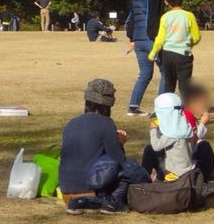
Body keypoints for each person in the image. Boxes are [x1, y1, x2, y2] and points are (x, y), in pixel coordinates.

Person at [58, 79, 148, 214]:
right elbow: (118, 159)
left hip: (65, 192)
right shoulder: (106, 123)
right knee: (131, 169)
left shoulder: (71, 123)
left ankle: (81, 203)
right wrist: (120, 143)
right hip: (91, 191)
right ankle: (113, 203)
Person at [125, 0, 165, 117]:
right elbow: (157, 15)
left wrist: (131, 36)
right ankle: (161, 109)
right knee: (165, 73)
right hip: (151, 36)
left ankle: (133, 106)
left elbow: (133, 14)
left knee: (145, 73)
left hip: (138, 37)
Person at [148, 0, 200, 95]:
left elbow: (160, 39)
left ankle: (167, 109)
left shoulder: (165, 17)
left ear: (166, 2)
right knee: (185, 86)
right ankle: (186, 111)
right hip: (183, 55)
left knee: (169, 85)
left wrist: (153, 53)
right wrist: (189, 44)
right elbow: (196, 37)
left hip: (167, 55)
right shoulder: (189, 16)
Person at [140, 92, 195, 181]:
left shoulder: (173, 133)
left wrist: (153, 129)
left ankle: (142, 180)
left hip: (174, 173)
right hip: (187, 168)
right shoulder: (184, 126)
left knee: (149, 149)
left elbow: (156, 146)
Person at [182, 83, 214, 179]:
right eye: (203, 105)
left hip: (191, 158)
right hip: (190, 161)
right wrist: (203, 123)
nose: (205, 108)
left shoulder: (188, 115)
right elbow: (194, 139)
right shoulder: (187, 116)